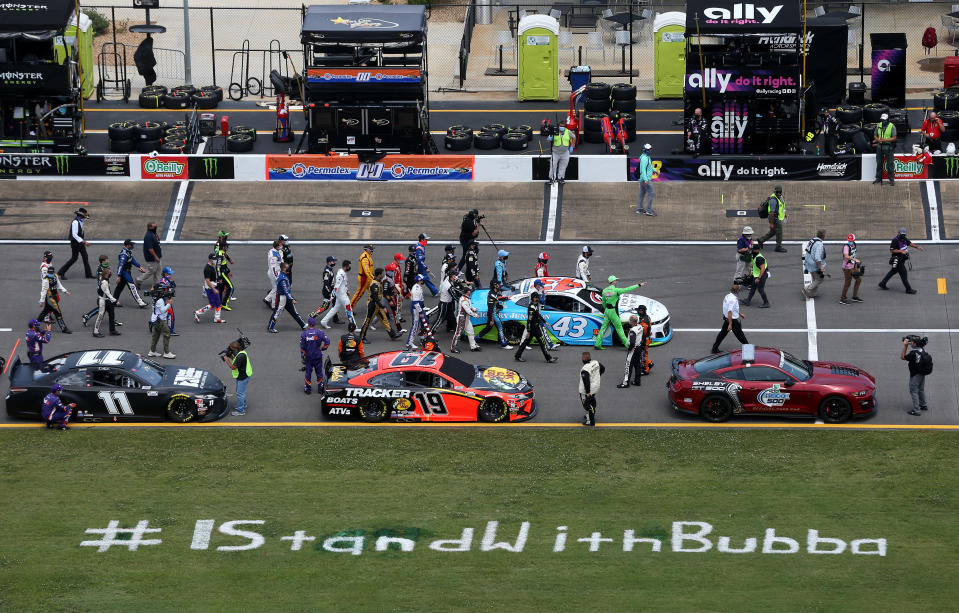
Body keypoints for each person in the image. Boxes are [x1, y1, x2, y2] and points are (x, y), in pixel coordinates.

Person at [594, 275, 644, 349]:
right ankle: (628, 346)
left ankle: (597, 344)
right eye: (615, 280)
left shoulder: (604, 290)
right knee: (620, 329)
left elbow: (603, 302)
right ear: (613, 282)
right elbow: (627, 289)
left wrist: (607, 310)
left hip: (607, 311)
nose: (616, 281)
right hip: (613, 312)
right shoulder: (616, 290)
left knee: (603, 328)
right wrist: (639, 285)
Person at [514, 289, 557, 363]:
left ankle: (517, 355)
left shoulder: (535, 305)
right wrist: (529, 331)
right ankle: (548, 358)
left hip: (536, 327)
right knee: (541, 342)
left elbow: (538, 315)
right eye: (536, 297)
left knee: (526, 342)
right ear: (533, 298)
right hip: (534, 328)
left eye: (538, 297)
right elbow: (529, 321)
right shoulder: (531, 308)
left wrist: (545, 322)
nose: (537, 299)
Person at [879, 228, 924, 294]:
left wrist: (917, 247)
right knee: (904, 274)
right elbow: (892, 250)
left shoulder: (904, 239)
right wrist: (901, 251)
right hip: (898, 260)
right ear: (898, 233)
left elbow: (910, 243)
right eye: (901, 234)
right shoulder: (895, 240)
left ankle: (882, 283)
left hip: (902, 260)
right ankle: (908, 289)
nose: (903, 235)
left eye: (904, 234)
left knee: (893, 271)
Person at [360, 268, 400, 341]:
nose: (383, 275)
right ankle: (362, 337)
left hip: (377, 305)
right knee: (367, 321)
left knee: (384, 320)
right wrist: (382, 306)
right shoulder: (374, 284)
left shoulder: (378, 281)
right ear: (379, 275)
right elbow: (375, 297)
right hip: (373, 305)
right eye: (382, 273)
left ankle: (393, 335)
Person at [268, 262, 306, 333]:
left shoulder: (285, 275)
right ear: (284, 269)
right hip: (282, 298)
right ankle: (270, 327)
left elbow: (287, 290)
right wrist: (291, 299)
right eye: (287, 267)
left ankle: (303, 324)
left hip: (286, 297)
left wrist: (291, 297)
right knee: (277, 313)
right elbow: (285, 290)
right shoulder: (282, 278)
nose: (289, 268)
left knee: (294, 311)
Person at [617, 311, 650, 389]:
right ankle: (637, 381)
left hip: (633, 349)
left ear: (632, 321)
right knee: (637, 365)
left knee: (628, 366)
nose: (629, 321)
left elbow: (632, 342)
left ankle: (625, 383)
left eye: (630, 320)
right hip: (639, 348)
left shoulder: (633, 331)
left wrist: (629, 349)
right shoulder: (640, 327)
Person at [711, 284, 748, 354]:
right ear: (737, 291)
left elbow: (733, 308)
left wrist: (740, 314)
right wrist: (730, 324)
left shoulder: (727, 296)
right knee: (740, 335)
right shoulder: (733, 299)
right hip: (732, 320)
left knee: (722, 334)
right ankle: (749, 352)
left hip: (727, 318)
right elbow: (730, 311)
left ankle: (714, 348)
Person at [477, 280, 513, 349]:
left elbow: (498, 300)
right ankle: (504, 344)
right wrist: (491, 319)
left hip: (493, 313)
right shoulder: (491, 295)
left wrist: (504, 301)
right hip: (493, 314)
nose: (499, 285)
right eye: (497, 284)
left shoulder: (495, 292)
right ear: (494, 285)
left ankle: (476, 339)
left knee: (488, 328)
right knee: (500, 327)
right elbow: (490, 308)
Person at [60, 208, 93, 280]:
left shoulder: (80, 221)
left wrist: (82, 241)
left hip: (80, 243)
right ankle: (61, 272)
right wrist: (84, 241)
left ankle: (88, 274)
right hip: (75, 243)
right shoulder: (75, 222)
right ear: (81, 216)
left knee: (85, 257)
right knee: (74, 258)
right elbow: (74, 234)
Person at [902, 337, 931, 416]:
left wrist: (905, 346)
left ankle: (916, 410)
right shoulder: (922, 350)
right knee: (921, 389)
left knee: (913, 391)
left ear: (915, 344)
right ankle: (923, 405)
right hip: (922, 373)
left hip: (915, 374)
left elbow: (903, 357)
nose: (911, 343)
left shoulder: (913, 353)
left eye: (912, 342)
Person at [300, 317, 331, 395]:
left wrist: (302, 357)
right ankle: (320, 388)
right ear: (314, 324)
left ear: (308, 324)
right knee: (319, 372)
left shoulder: (304, 334)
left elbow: (302, 348)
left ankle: (307, 389)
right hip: (317, 355)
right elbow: (327, 342)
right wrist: (323, 348)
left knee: (308, 373)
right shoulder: (320, 332)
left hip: (308, 357)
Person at [114, 239, 147, 308]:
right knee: (132, 287)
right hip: (125, 273)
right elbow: (120, 266)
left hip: (126, 272)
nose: (132, 245)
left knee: (119, 288)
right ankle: (140, 302)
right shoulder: (124, 255)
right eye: (131, 244)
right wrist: (119, 276)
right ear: (127, 245)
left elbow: (132, 259)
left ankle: (113, 301)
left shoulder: (128, 252)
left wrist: (139, 266)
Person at [321, 260, 354, 329]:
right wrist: (332, 297)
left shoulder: (343, 272)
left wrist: (347, 290)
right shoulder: (341, 275)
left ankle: (324, 321)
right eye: (349, 267)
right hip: (342, 295)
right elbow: (336, 286)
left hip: (341, 294)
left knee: (335, 308)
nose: (350, 268)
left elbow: (344, 284)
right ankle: (353, 327)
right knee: (349, 310)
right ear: (346, 267)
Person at [37, 267, 71, 334]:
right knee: (58, 313)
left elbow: (59, 285)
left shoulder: (55, 276)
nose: (51, 274)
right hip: (50, 299)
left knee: (44, 312)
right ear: (48, 272)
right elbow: (43, 291)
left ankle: (34, 325)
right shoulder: (46, 280)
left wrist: (65, 291)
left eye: (52, 273)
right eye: (49, 273)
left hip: (54, 297)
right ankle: (64, 328)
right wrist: (41, 301)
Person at [194, 253, 226, 324]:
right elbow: (207, 281)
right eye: (214, 259)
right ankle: (198, 312)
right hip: (210, 288)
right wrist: (214, 289)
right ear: (211, 259)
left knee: (216, 303)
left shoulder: (212, 266)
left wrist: (217, 280)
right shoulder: (207, 268)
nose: (215, 260)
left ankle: (216, 318)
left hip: (212, 286)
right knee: (213, 304)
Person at [81, 255, 111, 327]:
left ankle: (112, 320)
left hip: (106, 287)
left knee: (108, 305)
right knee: (104, 306)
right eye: (107, 260)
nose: (108, 261)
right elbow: (101, 280)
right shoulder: (100, 269)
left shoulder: (105, 267)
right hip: (103, 289)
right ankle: (87, 316)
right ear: (103, 261)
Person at [223, 340, 252, 417]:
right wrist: (231, 357)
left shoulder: (240, 356)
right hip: (245, 375)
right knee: (240, 392)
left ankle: (241, 410)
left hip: (242, 377)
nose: (230, 350)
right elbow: (236, 361)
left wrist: (226, 360)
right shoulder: (241, 353)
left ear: (235, 349)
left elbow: (233, 367)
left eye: (231, 349)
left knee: (240, 394)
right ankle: (243, 404)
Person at [405, 274, 433, 351]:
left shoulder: (418, 287)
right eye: (422, 280)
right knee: (415, 325)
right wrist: (420, 312)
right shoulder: (416, 290)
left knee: (425, 322)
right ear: (419, 281)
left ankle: (422, 339)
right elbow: (415, 303)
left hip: (419, 308)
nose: (423, 281)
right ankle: (409, 343)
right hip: (416, 309)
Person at [757, 186, 787, 253]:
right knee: (779, 232)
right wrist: (771, 223)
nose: (779, 193)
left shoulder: (780, 197)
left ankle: (761, 240)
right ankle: (778, 247)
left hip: (778, 217)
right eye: (777, 192)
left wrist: (784, 214)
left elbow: (782, 206)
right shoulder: (773, 200)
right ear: (775, 192)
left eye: (780, 192)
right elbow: (772, 213)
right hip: (774, 218)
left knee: (773, 232)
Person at [450, 286, 481, 353]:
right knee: (458, 333)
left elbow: (470, 306)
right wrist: (475, 315)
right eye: (469, 291)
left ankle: (473, 346)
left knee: (471, 331)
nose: (470, 291)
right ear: (467, 292)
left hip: (466, 318)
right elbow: (467, 310)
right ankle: (453, 348)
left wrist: (474, 309)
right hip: (462, 319)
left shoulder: (466, 298)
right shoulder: (464, 300)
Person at [148, 286, 175, 359]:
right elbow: (163, 310)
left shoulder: (155, 298)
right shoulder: (160, 300)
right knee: (167, 334)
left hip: (155, 319)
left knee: (156, 336)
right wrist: (169, 304)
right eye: (163, 291)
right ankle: (166, 353)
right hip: (160, 320)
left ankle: (152, 351)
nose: (165, 292)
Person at [310, 256, 340, 322]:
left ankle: (336, 319)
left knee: (335, 303)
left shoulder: (330, 269)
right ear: (329, 262)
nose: (334, 262)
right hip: (328, 291)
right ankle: (312, 315)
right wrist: (330, 292)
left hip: (331, 290)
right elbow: (326, 283)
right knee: (325, 306)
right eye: (333, 261)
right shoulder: (327, 271)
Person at [93, 267, 121, 338]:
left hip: (107, 300)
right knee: (100, 316)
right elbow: (108, 293)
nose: (111, 273)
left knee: (112, 314)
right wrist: (115, 301)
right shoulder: (104, 282)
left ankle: (112, 330)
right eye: (109, 272)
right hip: (102, 301)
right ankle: (95, 332)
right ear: (106, 274)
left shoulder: (103, 279)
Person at [579, 352, 605, 426]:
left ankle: (590, 420)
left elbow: (586, 382)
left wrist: (587, 392)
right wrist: (597, 376)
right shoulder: (595, 362)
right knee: (592, 400)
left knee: (586, 405)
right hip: (595, 387)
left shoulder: (585, 369)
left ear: (583, 359)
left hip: (586, 391)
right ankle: (590, 414)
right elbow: (603, 368)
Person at [741, 243, 770, 308]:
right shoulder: (754, 255)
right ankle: (748, 300)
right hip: (756, 275)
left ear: (757, 250)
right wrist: (749, 272)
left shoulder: (759, 258)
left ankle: (766, 303)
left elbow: (762, 268)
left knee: (760, 289)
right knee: (753, 288)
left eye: (753, 249)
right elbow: (753, 264)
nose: (752, 250)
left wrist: (759, 278)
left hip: (761, 275)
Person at [802, 230, 828, 299]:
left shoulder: (813, 240)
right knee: (819, 279)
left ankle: (813, 294)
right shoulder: (819, 244)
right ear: (823, 236)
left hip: (809, 262)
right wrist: (821, 267)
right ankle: (807, 289)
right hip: (814, 265)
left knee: (815, 278)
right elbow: (817, 257)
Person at [213, 231, 236, 311]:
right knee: (231, 287)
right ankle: (224, 303)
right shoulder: (219, 253)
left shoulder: (222, 252)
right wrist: (219, 276)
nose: (227, 247)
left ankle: (219, 302)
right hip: (221, 272)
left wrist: (228, 271)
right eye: (226, 246)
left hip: (224, 271)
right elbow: (218, 267)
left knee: (222, 287)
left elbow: (224, 263)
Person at [136, 221, 163, 290]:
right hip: (152, 258)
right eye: (154, 226)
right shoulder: (148, 236)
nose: (155, 227)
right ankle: (139, 279)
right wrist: (156, 257)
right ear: (150, 227)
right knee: (151, 271)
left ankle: (156, 284)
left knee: (158, 270)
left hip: (157, 257)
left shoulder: (154, 234)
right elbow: (150, 249)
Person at [873, 113, 897, 185]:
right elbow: (875, 135)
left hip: (888, 147)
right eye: (882, 120)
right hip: (880, 147)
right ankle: (878, 179)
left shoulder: (892, 126)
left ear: (887, 120)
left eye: (884, 120)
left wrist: (885, 140)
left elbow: (894, 138)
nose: (883, 121)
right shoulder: (878, 125)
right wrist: (878, 140)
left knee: (890, 164)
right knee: (879, 163)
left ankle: (891, 180)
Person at [839, 233, 864, 305]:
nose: (850, 241)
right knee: (848, 283)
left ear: (854, 240)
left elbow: (853, 254)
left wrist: (855, 262)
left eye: (851, 240)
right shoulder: (846, 247)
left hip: (853, 266)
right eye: (849, 240)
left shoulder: (854, 245)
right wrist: (855, 259)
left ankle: (854, 296)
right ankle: (843, 298)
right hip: (847, 267)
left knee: (858, 280)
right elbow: (846, 256)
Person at [548, 119, 575, 183]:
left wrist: (572, 146)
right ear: (558, 126)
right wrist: (550, 138)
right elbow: (548, 140)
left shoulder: (568, 132)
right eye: (560, 126)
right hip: (555, 153)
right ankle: (552, 178)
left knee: (563, 166)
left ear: (565, 126)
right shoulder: (554, 131)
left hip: (565, 153)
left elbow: (574, 137)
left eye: (563, 126)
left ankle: (560, 178)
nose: (561, 127)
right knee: (553, 166)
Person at [634, 143, 656, 216]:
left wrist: (654, 170)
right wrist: (646, 179)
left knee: (642, 193)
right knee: (652, 193)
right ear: (645, 150)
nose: (650, 151)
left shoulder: (646, 157)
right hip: (645, 179)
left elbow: (649, 166)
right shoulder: (644, 158)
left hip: (643, 179)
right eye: (649, 149)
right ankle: (649, 211)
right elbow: (643, 170)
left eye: (650, 149)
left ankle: (640, 209)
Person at [157, 267, 177, 335]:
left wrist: (172, 281)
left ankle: (161, 328)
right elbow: (161, 292)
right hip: (166, 301)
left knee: (166, 316)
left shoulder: (168, 280)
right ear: (165, 274)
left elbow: (174, 286)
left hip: (168, 300)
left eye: (171, 274)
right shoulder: (163, 282)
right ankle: (170, 331)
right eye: (169, 274)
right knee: (171, 316)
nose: (170, 275)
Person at [264, 239, 283, 307]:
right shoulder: (273, 255)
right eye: (280, 245)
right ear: (277, 246)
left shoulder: (274, 251)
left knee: (275, 288)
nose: (281, 246)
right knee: (276, 289)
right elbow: (273, 267)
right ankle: (273, 305)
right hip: (274, 273)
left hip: (276, 272)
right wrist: (276, 277)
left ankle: (267, 299)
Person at [391, 253, 407, 318]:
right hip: (397, 287)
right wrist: (395, 289)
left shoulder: (397, 266)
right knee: (398, 302)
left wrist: (402, 283)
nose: (402, 260)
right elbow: (393, 279)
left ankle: (397, 314)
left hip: (399, 286)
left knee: (399, 301)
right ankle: (397, 316)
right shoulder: (394, 268)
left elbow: (398, 277)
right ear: (397, 259)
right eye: (401, 259)